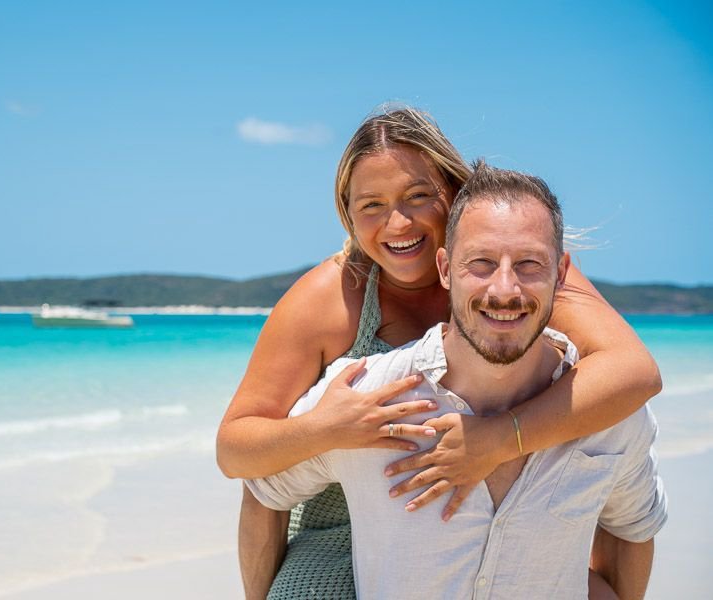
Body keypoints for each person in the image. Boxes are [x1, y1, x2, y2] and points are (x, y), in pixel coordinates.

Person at [216, 107, 662, 599]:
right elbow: (238, 450)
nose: (398, 221)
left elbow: (632, 371)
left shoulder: (513, 277)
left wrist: (497, 440)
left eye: (418, 196)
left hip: (499, 506)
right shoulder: (331, 294)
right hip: (347, 526)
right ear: (347, 214)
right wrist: (327, 427)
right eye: (371, 206)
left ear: (453, 193)